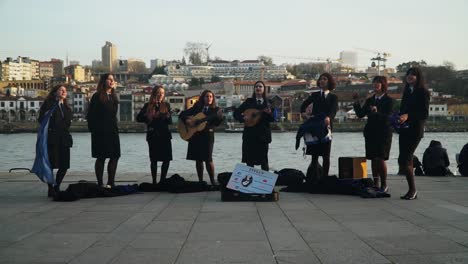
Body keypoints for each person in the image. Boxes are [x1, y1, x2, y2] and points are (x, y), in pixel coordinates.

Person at [353, 76, 393, 192]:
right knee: (373, 158)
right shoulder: (370, 100)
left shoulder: (389, 100)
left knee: (380, 158)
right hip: (371, 132)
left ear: (383, 85)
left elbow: (389, 116)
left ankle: (384, 184)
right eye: (374, 83)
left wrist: (377, 112)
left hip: (383, 132)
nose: (375, 85)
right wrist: (356, 102)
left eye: (378, 83)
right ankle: (376, 183)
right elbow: (361, 114)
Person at [397, 67, 430, 200]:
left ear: (418, 77)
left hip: (415, 130)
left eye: (413, 75)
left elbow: (424, 113)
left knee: (405, 159)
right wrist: (398, 118)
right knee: (403, 160)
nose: (410, 76)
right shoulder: (407, 92)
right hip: (404, 128)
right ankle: (412, 189)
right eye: (408, 74)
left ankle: (413, 189)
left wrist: (408, 116)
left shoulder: (423, 92)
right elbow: (402, 110)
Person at [179, 90, 223, 185]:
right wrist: (187, 121)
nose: (209, 98)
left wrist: (220, 117)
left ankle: (212, 181)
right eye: (207, 96)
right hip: (196, 135)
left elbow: (216, 123)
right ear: (203, 98)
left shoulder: (216, 110)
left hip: (208, 136)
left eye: (211, 96)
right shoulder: (196, 108)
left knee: (208, 159)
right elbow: (182, 114)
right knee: (198, 159)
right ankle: (200, 181)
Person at [300, 73, 338, 182]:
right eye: (321, 79)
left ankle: (325, 179)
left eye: (325, 79)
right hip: (315, 127)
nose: (322, 81)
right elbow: (304, 105)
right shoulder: (315, 95)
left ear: (329, 82)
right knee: (314, 155)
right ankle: (314, 178)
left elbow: (333, 111)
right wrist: (304, 114)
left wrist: (328, 118)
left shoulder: (333, 97)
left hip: (326, 128)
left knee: (326, 155)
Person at [38, 84, 73, 197]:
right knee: (51, 164)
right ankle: (50, 188)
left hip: (64, 139)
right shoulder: (49, 105)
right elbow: (41, 120)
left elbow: (67, 123)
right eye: (61, 90)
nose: (64, 92)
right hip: (52, 139)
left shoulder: (66, 107)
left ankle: (57, 186)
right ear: (55, 92)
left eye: (65, 90)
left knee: (64, 165)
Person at [86, 73, 120, 187]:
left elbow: (113, 113)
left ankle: (111, 182)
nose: (112, 81)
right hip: (100, 132)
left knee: (115, 156)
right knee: (101, 157)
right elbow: (90, 115)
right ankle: (100, 183)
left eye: (113, 80)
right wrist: (94, 130)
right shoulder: (97, 96)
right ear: (103, 81)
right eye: (109, 79)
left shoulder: (114, 96)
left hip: (112, 130)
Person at [233, 81, 274, 171]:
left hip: (263, 136)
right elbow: (236, 113)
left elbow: (273, 119)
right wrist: (243, 118)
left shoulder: (269, 103)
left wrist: (269, 114)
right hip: (249, 135)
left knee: (264, 161)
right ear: (254, 89)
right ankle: (250, 183)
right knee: (249, 161)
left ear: (264, 89)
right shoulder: (248, 102)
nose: (258, 88)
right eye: (256, 87)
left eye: (260, 86)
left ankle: (264, 184)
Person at [136, 85, 173, 184]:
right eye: (158, 93)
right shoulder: (148, 105)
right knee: (154, 159)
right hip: (153, 135)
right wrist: (149, 116)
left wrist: (167, 116)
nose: (161, 95)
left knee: (167, 159)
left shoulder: (166, 105)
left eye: (162, 93)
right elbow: (138, 118)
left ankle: (162, 180)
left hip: (165, 134)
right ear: (154, 94)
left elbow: (170, 122)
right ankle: (154, 181)